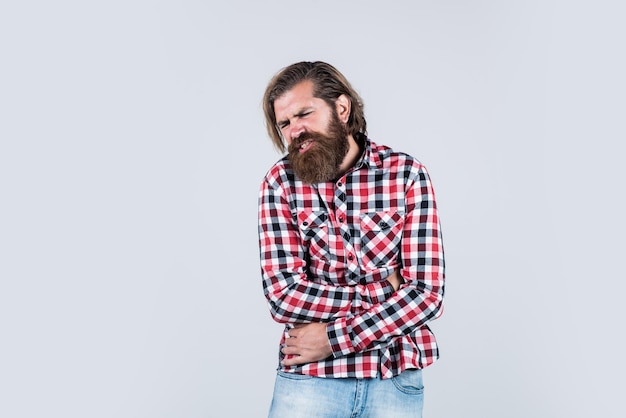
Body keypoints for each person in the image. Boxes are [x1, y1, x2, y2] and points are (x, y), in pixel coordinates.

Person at [258, 61, 445, 418]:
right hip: (309, 379)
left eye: (304, 114)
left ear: (341, 109)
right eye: (285, 123)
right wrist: (386, 289)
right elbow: (283, 295)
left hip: (393, 375)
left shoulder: (406, 175)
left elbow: (427, 294)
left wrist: (332, 338)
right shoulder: (280, 183)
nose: (295, 130)